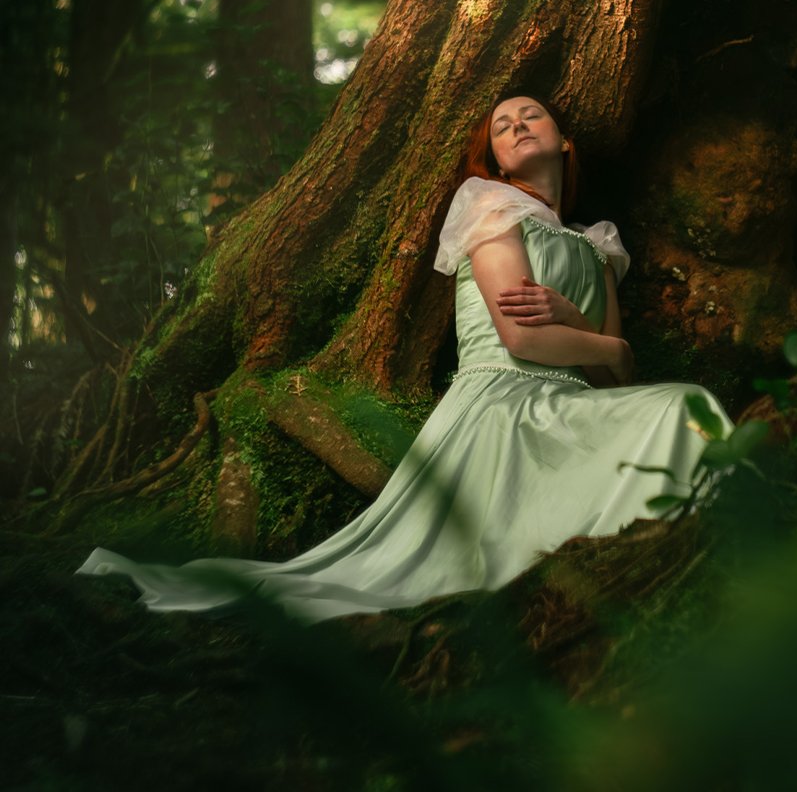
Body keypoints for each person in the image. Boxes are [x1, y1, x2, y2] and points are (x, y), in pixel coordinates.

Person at [77, 95, 732, 623]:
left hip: (573, 407)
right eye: (502, 125)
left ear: (564, 140)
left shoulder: (598, 245)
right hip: (502, 405)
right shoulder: (493, 206)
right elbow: (523, 339)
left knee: (683, 407)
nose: (516, 125)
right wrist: (597, 338)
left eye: (530, 114)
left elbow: (614, 371)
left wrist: (589, 333)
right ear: (498, 157)